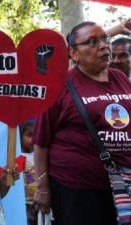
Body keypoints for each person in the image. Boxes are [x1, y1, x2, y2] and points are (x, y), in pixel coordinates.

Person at [33, 21, 131, 225]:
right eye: (93, 42)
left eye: (105, 39)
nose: (104, 45)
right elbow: (41, 142)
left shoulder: (120, 77)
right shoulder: (59, 86)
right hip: (77, 190)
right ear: (73, 54)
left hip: (123, 184)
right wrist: (42, 187)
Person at [20, 120, 37, 225]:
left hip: (38, 202)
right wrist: (30, 175)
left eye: (35, 136)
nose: (33, 139)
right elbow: (26, 180)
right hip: (25, 203)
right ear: (20, 137)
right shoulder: (19, 156)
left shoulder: (38, 156)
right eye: (29, 135)